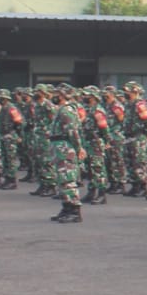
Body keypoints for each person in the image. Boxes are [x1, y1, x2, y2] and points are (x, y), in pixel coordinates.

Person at [48, 85, 85, 224]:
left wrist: (79, 148)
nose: (54, 96)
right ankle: (66, 207)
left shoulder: (67, 111)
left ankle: (74, 210)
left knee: (68, 179)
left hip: (65, 147)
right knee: (62, 180)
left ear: (63, 95)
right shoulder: (61, 110)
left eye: (57, 93)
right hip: (59, 147)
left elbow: (73, 132)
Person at [0, 88, 23, 190]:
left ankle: (12, 180)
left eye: (2, 99)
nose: (0, 100)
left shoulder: (12, 108)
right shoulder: (2, 108)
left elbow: (19, 122)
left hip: (10, 136)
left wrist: (18, 135)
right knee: (5, 158)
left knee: (11, 159)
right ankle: (7, 178)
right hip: (3, 135)